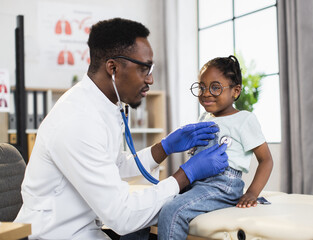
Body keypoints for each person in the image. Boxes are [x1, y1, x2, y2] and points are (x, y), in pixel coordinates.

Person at [14, 18, 230, 240]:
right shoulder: (77, 120)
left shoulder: (101, 106)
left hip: (84, 229)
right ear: (113, 68)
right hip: (55, 235)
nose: (151, 79)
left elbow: (115, 166)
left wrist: (164, 147)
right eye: (144, 68)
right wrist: (186, 175)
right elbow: (123, 216)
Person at [157, 55, 274, 239]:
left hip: (223, 186)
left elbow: (266, 160)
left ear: (235, 91)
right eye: (202, 87)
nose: (206, 93)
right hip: (195, 182)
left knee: (173, 211)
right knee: (151, 203)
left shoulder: (244, 119)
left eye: (215, 87)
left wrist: (252, 193)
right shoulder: (204, 118)